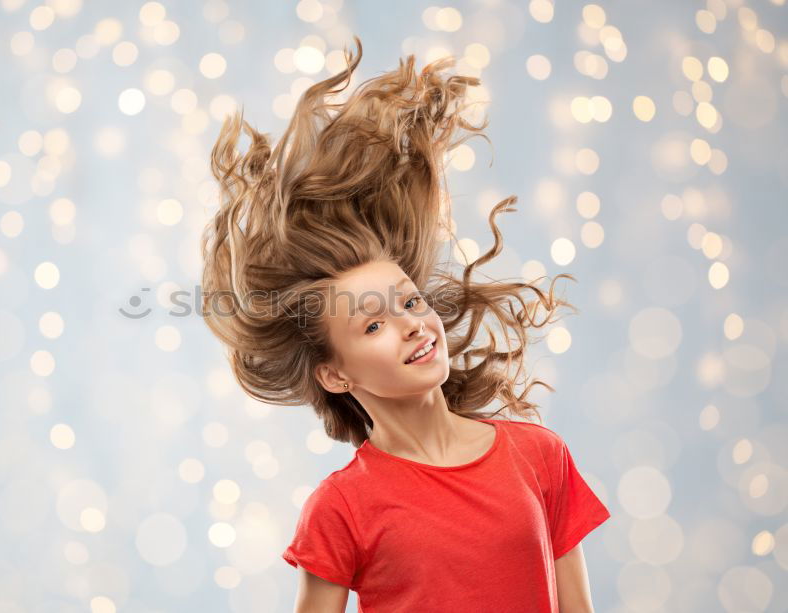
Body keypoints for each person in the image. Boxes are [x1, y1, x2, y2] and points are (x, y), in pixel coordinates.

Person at [200, 35, 611, 613]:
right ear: (335, 376)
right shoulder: (341, 508)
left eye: (412, 303)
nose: (414, 325)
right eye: (372, 326)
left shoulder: (540, 456)